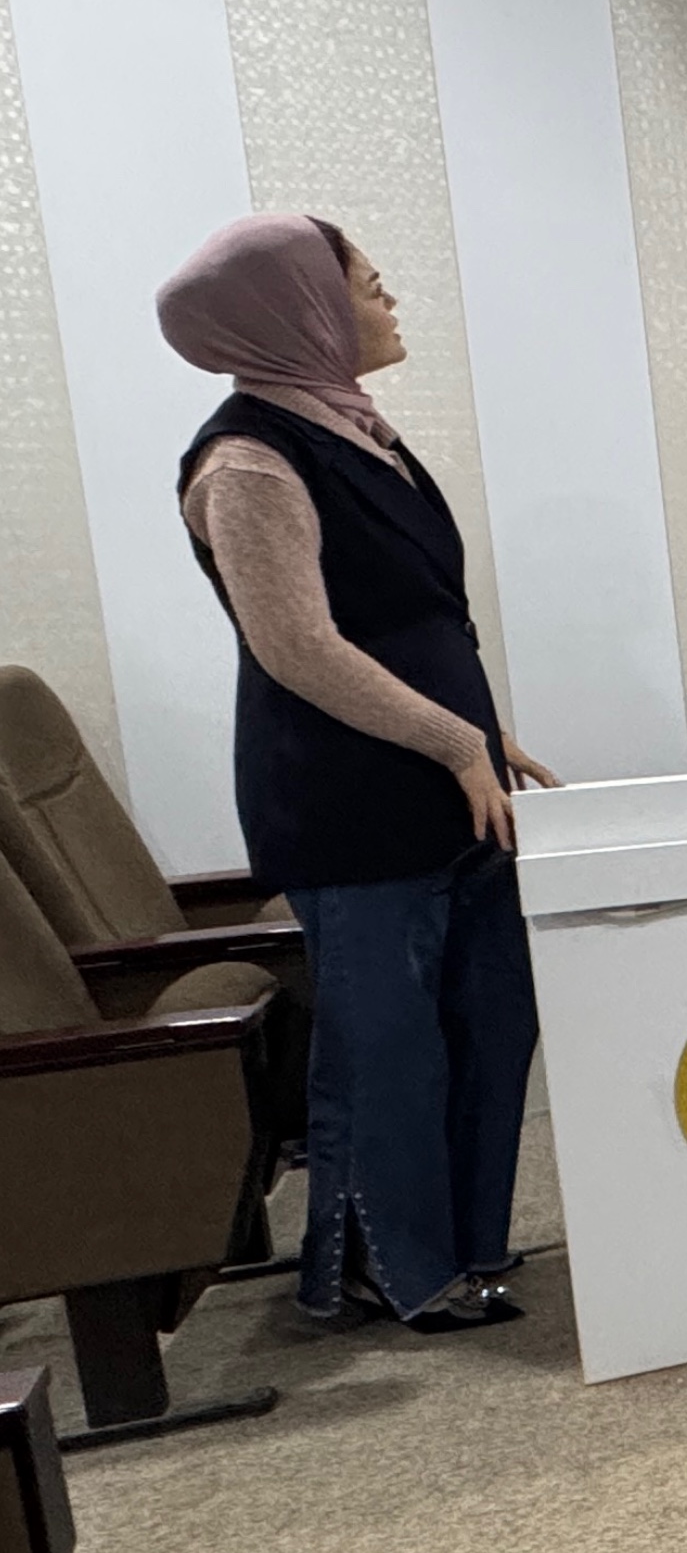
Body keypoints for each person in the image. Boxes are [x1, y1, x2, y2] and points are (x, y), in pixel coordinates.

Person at [161, 214, 553, 1331]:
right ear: (304, 312)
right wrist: (453, 740)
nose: (390, 303)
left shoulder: (351, 428)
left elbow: (415, 616)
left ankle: (470, 1244)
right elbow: (299, 648)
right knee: (392, 1049)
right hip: (352, 798)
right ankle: (396, 1269)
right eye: (371, 287)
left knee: (488, 1017)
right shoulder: (249, 461)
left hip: (446, 779)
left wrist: (487, 735)